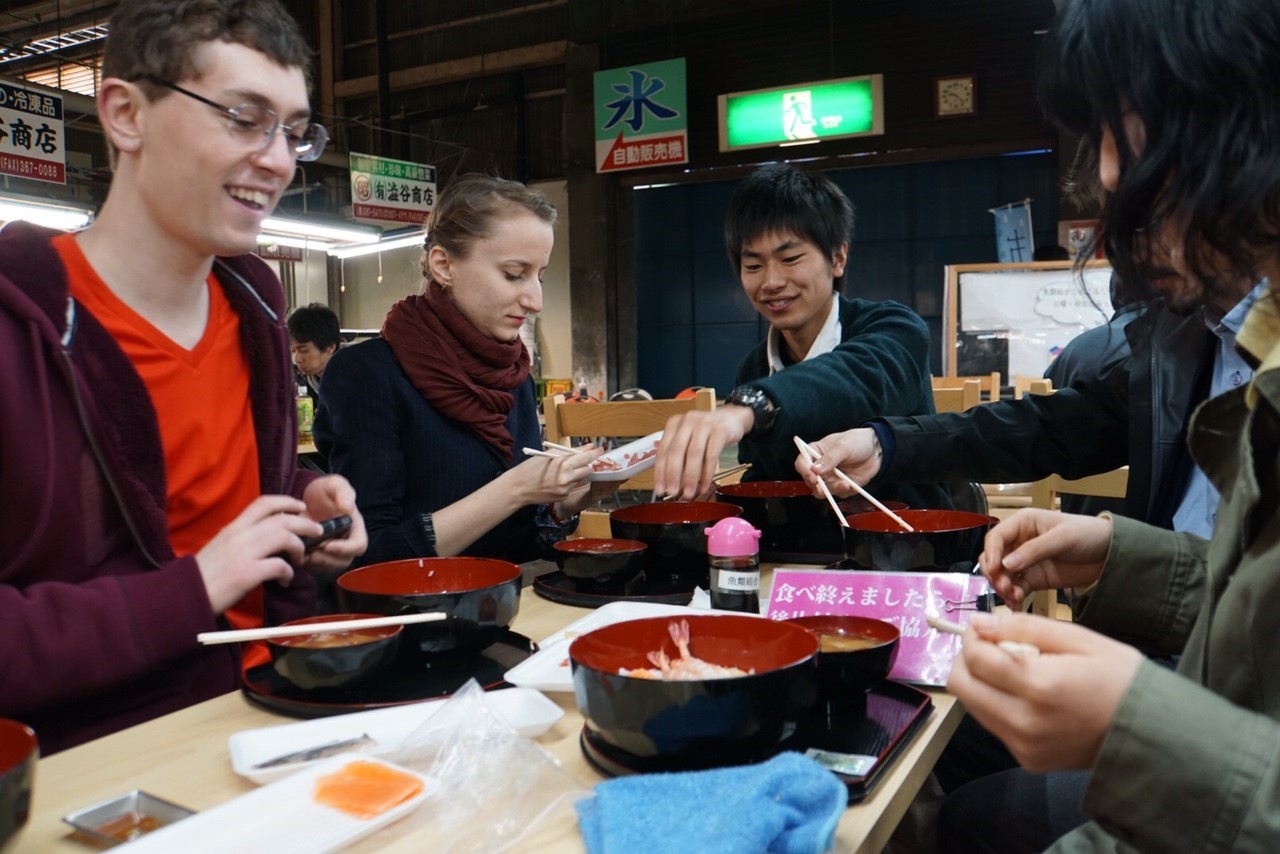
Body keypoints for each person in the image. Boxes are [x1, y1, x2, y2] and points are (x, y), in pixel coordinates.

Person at [941, 0, 1280, 850]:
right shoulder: (1243, 332)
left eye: (1120, 132)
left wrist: (1137, 727)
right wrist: (1116, 554)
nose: (1102, 177)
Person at [0, 0, 367, 755]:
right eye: (242, 117)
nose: (279, 159)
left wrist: (302, 506)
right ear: (126, 114)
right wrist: (194, 589)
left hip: (277, 716)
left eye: (294, 131)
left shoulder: (255, 309)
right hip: (101, 767)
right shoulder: (21, 335)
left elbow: (206, 503)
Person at [315, 174, 615, 568]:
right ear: (443, 265)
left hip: (507, 607)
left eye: (539, 276)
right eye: (513, 274)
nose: (535, 300)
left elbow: (517, 546)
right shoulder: (365, 373)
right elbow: (372, 556)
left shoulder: (512, 375)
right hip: (416, 617)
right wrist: (516, 488)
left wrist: (563, 505)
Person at [652, 163, 946, 509]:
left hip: (908, 547)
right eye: (753, 266)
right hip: (803, 556)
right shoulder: (754, 368)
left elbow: (858, 377)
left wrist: (753, 407)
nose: (771, 281)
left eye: (790, 258)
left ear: (838, 257)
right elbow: (765, 480)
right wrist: (713, 499)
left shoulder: (895, 328)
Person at [288, 302, 342, 394]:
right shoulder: (299, 379)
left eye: (303, 350)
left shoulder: (354, 378)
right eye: (293, 351)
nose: (297, 359)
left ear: (329, 347)